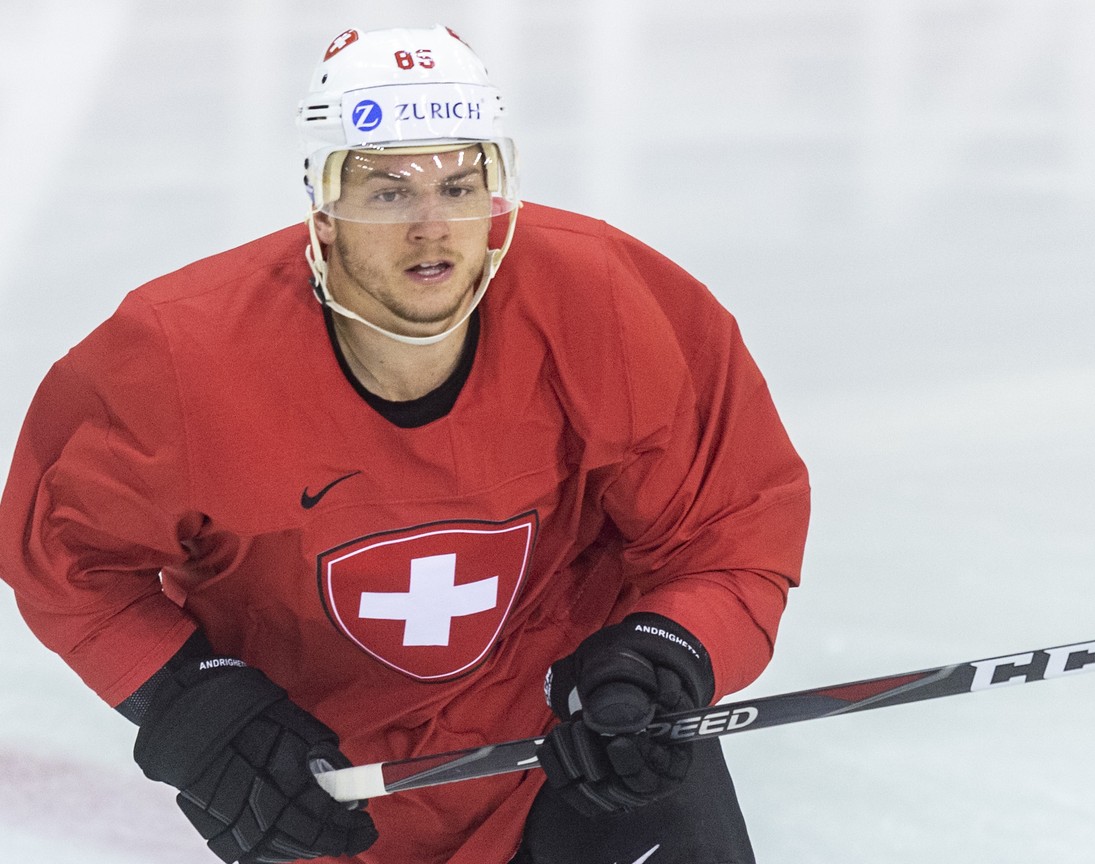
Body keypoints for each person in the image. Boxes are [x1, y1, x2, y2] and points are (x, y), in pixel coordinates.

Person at [0, 25, 810, 864]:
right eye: (388, 192)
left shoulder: (606, 300)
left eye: (463, 185)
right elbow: (68, 562)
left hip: (578, 758)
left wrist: (665, 654)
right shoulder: (178, 360)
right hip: (327, 799)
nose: (434, 226)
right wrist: (196, 704)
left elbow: (733, 526)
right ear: (321, 205)